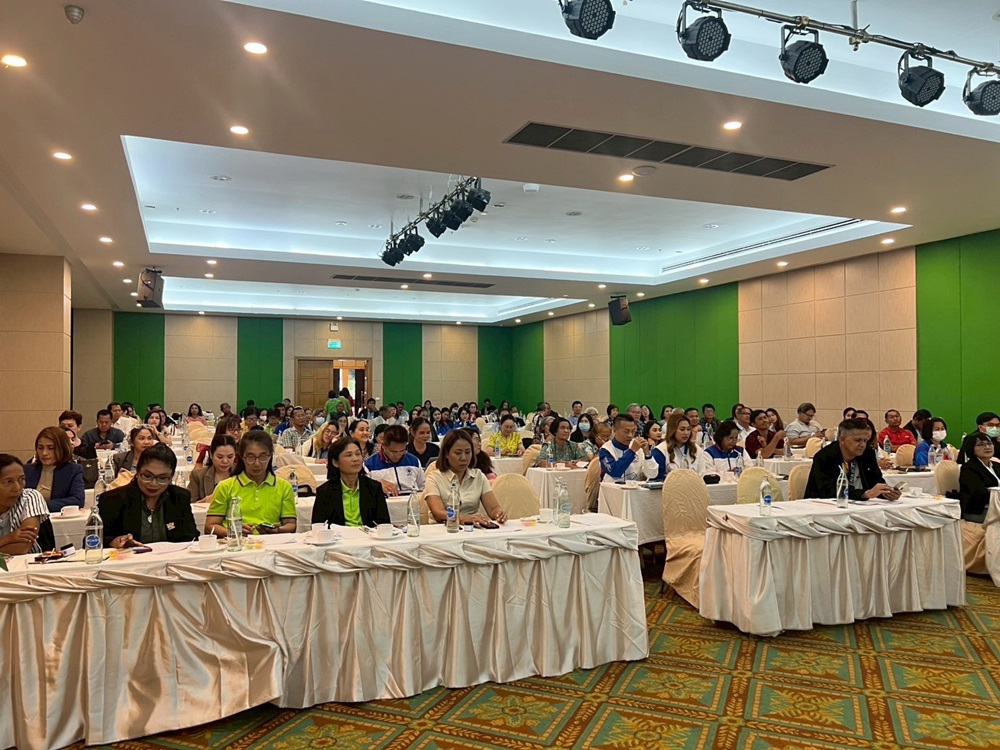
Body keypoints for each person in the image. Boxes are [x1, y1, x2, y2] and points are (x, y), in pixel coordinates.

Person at [99, 443, 199, 548]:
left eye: (162, 478)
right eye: (147, 476)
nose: (153, 483)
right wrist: (114, 541)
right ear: (137, 472)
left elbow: (192, 537)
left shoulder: (180, 498)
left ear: (171, 477)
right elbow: (96, 539)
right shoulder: (113, 500)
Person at [205, 432, 296, 537]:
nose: (257, 463)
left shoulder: (284, 487)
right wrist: (234, 531)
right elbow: (210, 526)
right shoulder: (225, 486)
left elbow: (291, 524)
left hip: (271, 542)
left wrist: (278, 530)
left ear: (270, 456)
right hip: (237, 542)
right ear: (242, 457)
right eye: (250, 457)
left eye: (262, 457)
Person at [424, 430, 508, 527]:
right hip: (444, 529)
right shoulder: (434, 478)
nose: (464, 458)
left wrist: (499, 514)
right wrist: (463, 519)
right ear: (446, 453)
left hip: (473, 529)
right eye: (458, 453)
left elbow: (493, 508)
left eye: (468, 452)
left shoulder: (478, 476)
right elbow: (438, 513)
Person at [804, 418, 902, 502]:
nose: (862, 445)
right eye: (857, 440)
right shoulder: (825, 457)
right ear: (842, 439)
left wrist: (886, 493)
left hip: (861, 505)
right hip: (825, 507)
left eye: (865, 440)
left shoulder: (868, 454)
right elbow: (827, 491)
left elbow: (876, 482)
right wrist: (864, 494)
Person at [313, 437, 391, 527]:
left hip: (368, 535)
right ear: (335, 462)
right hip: (338, 535)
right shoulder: (324, 491)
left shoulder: (374, 488)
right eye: (349, 455)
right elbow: (318, 526)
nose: (355, 459)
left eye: (358, 454)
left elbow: (384, 524)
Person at [0, 455, 52, 556]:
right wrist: (8, 539)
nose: (17, 488)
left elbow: (23, 547)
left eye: (21, 479)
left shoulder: (29, 497)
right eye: (8, 482)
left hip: (29, 563)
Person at [24, 426, 85, 512]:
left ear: (62, 448)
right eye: (40, 448)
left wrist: (40, 505)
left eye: (51, 448)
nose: (44, 453)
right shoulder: (26, 470)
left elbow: (77, 500)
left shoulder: (73, 470)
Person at [364, 425, 425, 496]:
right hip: (384, 500)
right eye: (394, 452)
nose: (398, 455)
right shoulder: (369, 465)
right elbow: (364, 491)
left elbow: (423, 487)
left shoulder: (414, 461)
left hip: (412, 499)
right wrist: (376, 485)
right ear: (383, 446)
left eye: (402, 450)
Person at [650, 414, 710, 481]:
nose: (686, 433)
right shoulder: (660, 450)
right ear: (672, 430)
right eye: (682, 429)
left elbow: (702, 474)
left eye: (688, 429)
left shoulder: (696, 449)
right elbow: (658, 479)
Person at [599, 415, 657, 483]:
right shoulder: (605, 449)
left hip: (635, 488)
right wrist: (632, 451)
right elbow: (615, 472)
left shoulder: (638, 447)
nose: (630, 435)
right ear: (614, 430)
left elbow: (652, 475)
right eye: (626, 431)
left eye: (633, 431)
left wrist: (647, 454)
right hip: (612, 488)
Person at [958, 433, 997, 523]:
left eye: (989, 443)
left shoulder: (997, 466)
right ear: (972, 449)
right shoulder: (968, 469)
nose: (987, 447)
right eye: (981, 444)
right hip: (979, 510)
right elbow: (979, 493)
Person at [188, 435, 238, 503]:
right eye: (220, 457)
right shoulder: (198, 476)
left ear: (235, 456)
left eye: (230, 457)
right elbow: (189, 504)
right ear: (211, 455)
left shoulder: (242, 474)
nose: (225, 461)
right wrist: (205, 501)